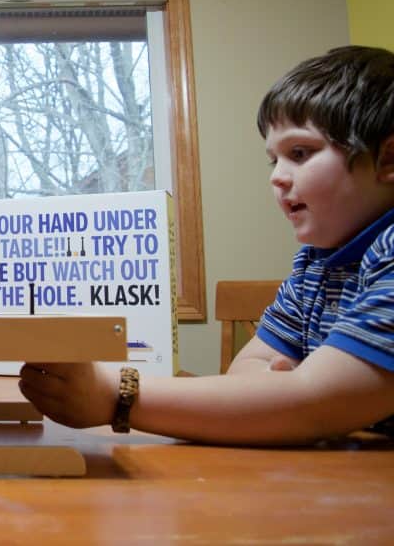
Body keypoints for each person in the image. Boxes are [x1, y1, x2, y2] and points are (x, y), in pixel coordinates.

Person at [20, 45, 394, 445]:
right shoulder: (314, 266)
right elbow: (250, 369)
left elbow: (318, 404)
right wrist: (281, 397)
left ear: (388, 159)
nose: (277, 178)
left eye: (299, 153)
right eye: (274, 160)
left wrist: (115, 394)